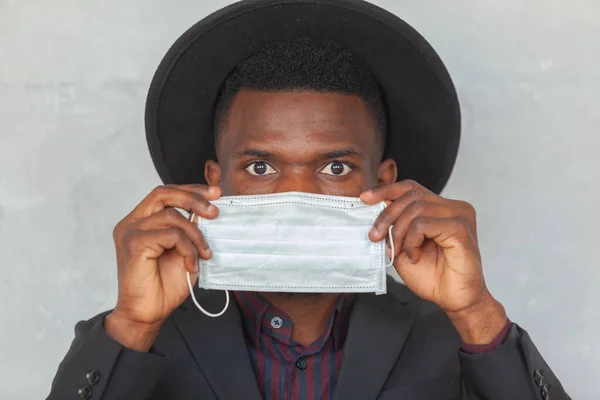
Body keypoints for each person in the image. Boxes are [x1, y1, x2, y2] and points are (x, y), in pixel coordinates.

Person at [47, 1, 569, 399]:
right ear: (213, 182)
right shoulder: (138, 335)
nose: (294, 196)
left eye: (335, 167)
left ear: (386, 181)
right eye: (260, 167)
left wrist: (477, 312)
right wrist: (133, 325)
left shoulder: (451, 334)